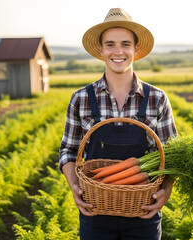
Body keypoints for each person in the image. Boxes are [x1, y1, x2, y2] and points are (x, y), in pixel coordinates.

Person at [59, 8, 177, 240]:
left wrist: (166, 190)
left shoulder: (157, 98)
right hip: (95, 214)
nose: (118, 51)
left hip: (144, 213)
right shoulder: (81, 98)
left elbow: (172, 154)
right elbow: (68, 151)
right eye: (110, 44)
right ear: (101, 50)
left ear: (136, 49)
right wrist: (75, 186)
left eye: (125, 44)